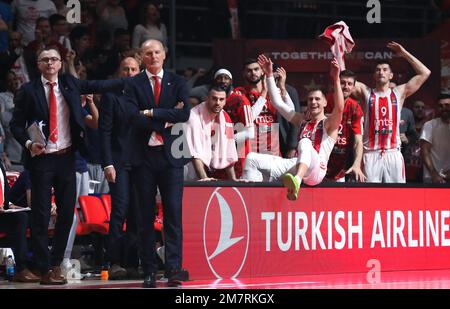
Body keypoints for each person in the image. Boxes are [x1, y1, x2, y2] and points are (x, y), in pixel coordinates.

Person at [10, 48, 124, 285]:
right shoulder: (27, 91)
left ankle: (55, 264)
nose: (50, 63)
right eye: (45, 59)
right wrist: (29, 143)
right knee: (41, 216)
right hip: (41, 158)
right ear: (39, 64)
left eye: (54, 59)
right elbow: (16, 126)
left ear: (61, 63)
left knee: (66, 215)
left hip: (66, 158)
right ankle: (44, 268)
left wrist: (132, 81)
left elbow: (98, 85)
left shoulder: (70, 84)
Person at [124, 39, 190, 288]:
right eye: (148, 53)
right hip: (143, 157)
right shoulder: (133, 84)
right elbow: (131, 117)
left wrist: (150, 113)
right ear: (142, 57)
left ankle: (173, 269)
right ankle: (149, 270)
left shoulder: (178, 81)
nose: (153, 57)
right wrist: (165, 117)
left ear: (165, 54)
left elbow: (184, 114)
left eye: (157, 52)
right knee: (144, 216)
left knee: (173, 213)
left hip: (171, 155)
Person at [242, 55, 344, 201]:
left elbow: (340, 108)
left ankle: (296, 180)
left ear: (325, 103)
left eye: (317, 99)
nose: (313, 102)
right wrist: (270, 75)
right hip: (296, 164)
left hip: (316, 171)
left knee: (305, 142)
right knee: (251, 159)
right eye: (310, 99)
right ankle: (251, 201)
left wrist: (336, 79)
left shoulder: (329, 123)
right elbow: (277, 103)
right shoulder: (302, 120)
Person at [351, 42, 431, 183]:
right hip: (370, 154)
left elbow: (425, 72)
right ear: (374, 75)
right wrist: (338, 51)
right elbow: (345, 79)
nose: (381, 72)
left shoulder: (399, 93)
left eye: (385, 69)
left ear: (391, 75)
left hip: (393, 153)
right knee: (369, 198)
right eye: (378, 70)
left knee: (397, 197)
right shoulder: (366, 92)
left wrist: (404, 53)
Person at [99, 56, 141, 279]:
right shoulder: (111, 97)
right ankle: (114, 261)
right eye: (125, 69)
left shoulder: (144, 96)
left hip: (141, 163)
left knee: (137, 211)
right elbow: (104, 132)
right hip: (119, 162)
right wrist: (107, 163)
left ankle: (132, 262)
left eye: (134, 69)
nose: (130, 73)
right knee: (120, 210)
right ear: (119, 72)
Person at [185, 86, 238, 181]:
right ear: (207, 98)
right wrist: (205, 179)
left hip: (210, 166)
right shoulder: (193, 117)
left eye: (221, 99)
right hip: (188, 165)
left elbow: (229, 150)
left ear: (225, 101)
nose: (218, 103)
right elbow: (194, 153)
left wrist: (234, 180)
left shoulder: (226, 118)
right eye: (214, 98)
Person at [0, 161, 40, 283]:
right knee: (21, 219)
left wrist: (10, 205)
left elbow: (5, 192)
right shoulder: (27, 174)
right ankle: (23, 268)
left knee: (27, 217)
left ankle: (32, 265)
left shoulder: (0, 164)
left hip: (2, 212)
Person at [324, 70, 365, 182]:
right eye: (342, 82)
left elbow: (358, 142)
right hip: (320, 161)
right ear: (336, 83)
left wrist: (357, 164)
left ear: (353, 87)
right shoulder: (323, 102)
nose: (346, 86)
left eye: (349, 84)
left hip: (341, 168)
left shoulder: (355, 108)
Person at [420, 93, 450, 183]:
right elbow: (424, 151)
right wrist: (434, 174)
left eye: (447, 105)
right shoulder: (430, 125)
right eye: (440, 106)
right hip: (432, 178)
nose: (444, 108)